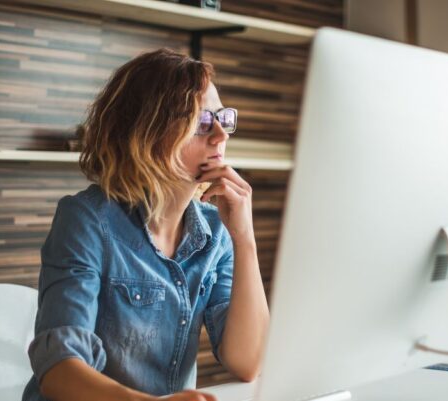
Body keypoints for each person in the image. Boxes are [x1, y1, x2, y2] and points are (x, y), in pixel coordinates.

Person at [22, 48, 269, 401]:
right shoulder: (86, 219)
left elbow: (247, 363)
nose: (220, 136)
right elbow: (59, 369)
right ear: (147, 132)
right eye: (201, 122)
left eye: (222, 118)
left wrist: (244, 239)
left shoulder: (217, 232)